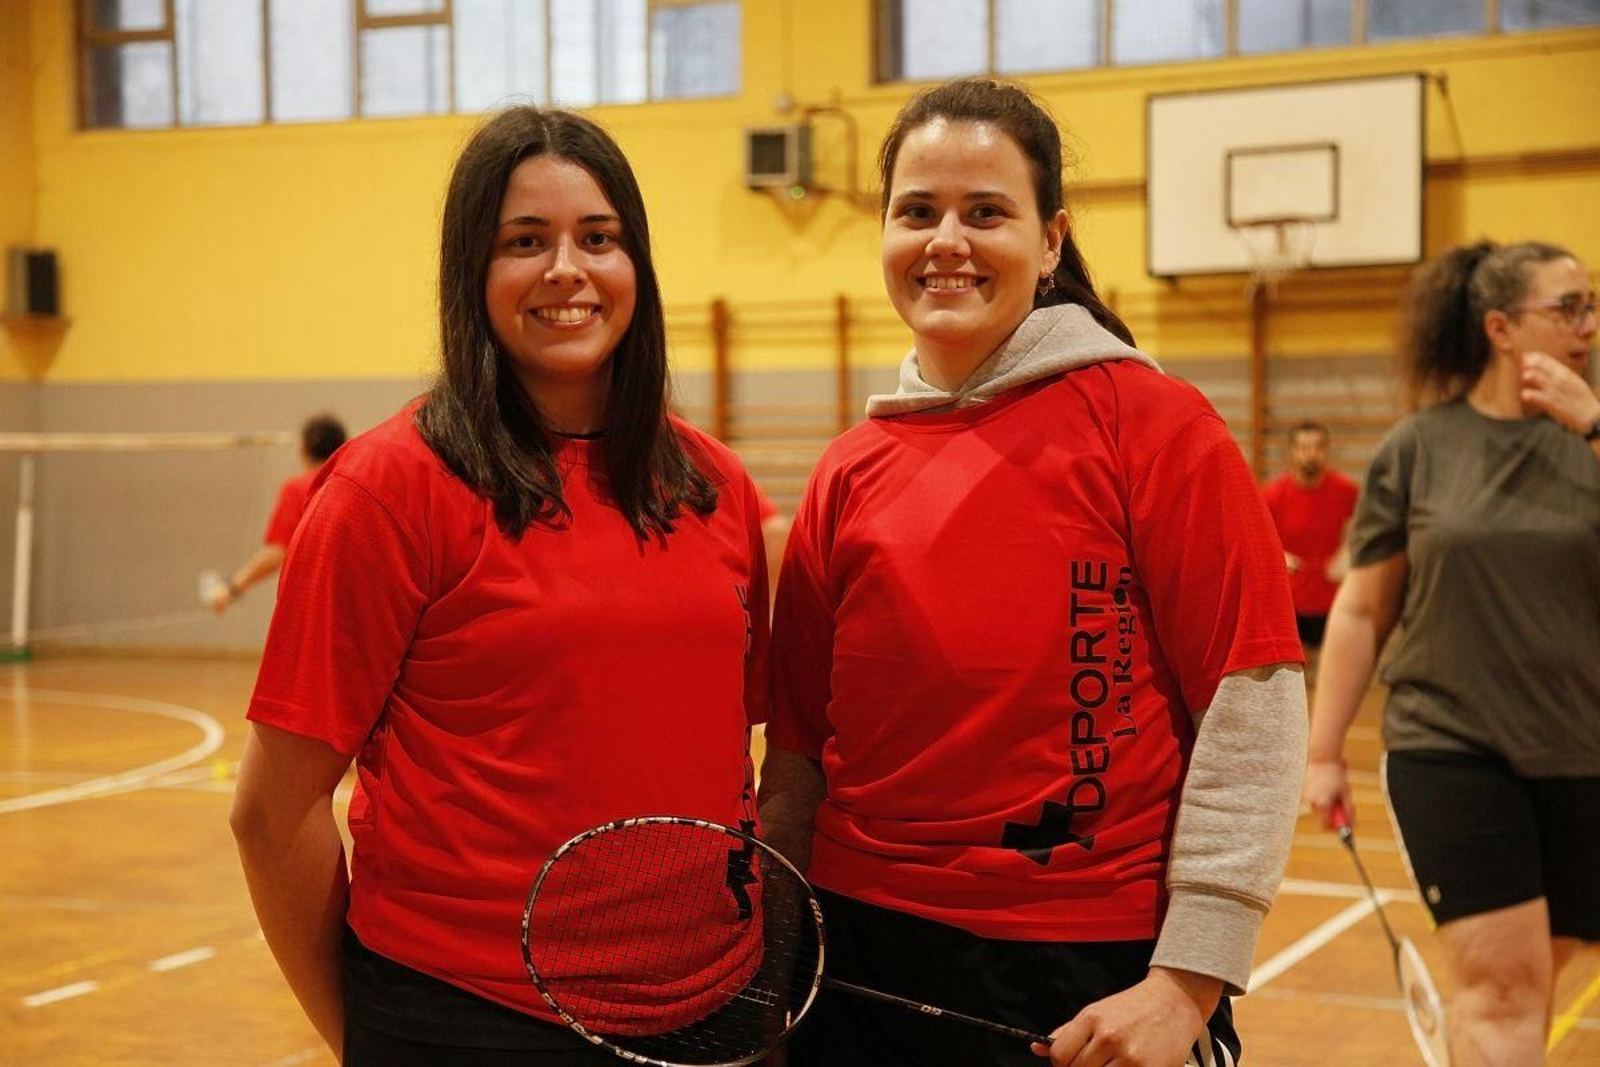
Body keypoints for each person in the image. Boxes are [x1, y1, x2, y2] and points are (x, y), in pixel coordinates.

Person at [758, 77, 1307, 1067]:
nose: (946, 241)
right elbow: (796, 755)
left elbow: (1251, 699)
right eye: (915, 211)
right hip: (859, 949)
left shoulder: (1153, 425)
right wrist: (772, 964)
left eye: (986, 213)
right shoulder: (848, 468)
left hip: (1090, 963)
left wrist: (1187, 981)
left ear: (1050, 240)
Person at [229, 106, 770, 1066]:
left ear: (635, 265)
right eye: (526, 241)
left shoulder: (717, 488)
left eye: (597, 238)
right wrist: (364, 1034)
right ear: (471, 273)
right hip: (467, 1016)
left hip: (712, 1007)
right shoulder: (385, 489)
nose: (568, 269)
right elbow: (272, 813)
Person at [1303, 239, 1599, 1066]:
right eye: (1567, 307)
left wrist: (1593, 422)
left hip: (1582, 751)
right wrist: (1324, 751)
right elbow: (1362, 609)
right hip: (1452, 746)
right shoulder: (1418, 448)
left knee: (1531, 987)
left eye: (1592, 305)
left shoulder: (1592, 434)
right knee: (1502, 992)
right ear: (1501, 328)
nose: (1588, 325)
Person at [207, 413, 347, 613]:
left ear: (303, 450)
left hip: (313, 605)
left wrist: (233, 587)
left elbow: (277, 551)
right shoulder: (352, 487)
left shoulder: (298, 489)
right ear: (342, 448)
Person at [1259, 421, 1359, 650]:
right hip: (1288, 603)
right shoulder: (1272, 495)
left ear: (1326, 451)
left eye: (1317, 447)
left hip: (1332, 600)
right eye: (1304, 448)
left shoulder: (1345, 490)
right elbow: (1255, 541)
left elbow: (1370, 526)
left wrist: (1350, 551)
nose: (1311, 454)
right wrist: (1277, 555)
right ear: (1293, 452)